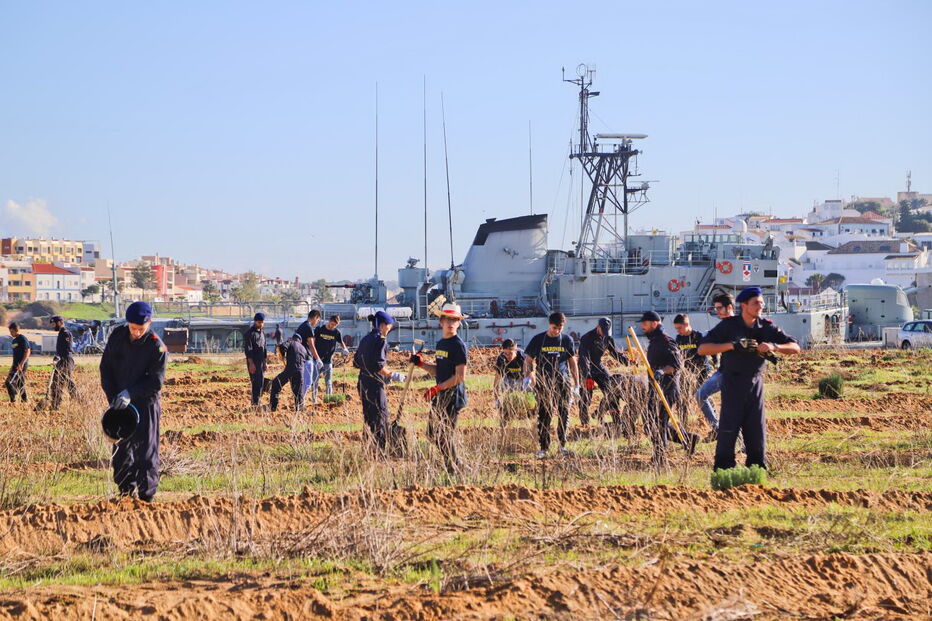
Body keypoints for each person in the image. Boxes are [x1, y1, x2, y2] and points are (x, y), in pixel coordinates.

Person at [698, 287, 800, 472]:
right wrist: (732, 346)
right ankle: (724, 472)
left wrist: (773, 346)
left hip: (755, 385)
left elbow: (795, 347)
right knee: (728, 430)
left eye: (761, 303)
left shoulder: (767, 327)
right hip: (732, 383)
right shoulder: (728, 326)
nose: (761, 306)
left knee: (756, 432)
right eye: (756, 303)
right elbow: (703, 349)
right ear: (744, 305)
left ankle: (757, 472)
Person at [100, 301, 167, 502]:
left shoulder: (157, 347)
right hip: (120, 404)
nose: (136, 333)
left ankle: (146, 497)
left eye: (141, 329)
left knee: (146, 452)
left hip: (145, 404)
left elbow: (155, 381)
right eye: (133, 328)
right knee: (121, 451)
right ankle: (126, 494)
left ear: (149, 323)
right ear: (127, 323)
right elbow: (106, 369)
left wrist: (131, 393)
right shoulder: (117, 337)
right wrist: (113, 398)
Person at [411, 303, 468, 473]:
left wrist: (438, 388)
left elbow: (459, 377)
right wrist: (421, 364)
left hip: (453, 396)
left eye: (454, 320)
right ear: (441, 322)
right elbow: (440, 370)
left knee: (445, 434)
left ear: (458, 323)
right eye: (447, 319)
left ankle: (455, 466)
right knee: (431, 433)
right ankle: (453, 464)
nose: (451, 323)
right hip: (441, 394)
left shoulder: (458, 345)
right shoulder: (441, 344)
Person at [639, 311, 699, 465]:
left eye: (645, 324)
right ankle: (688, 439)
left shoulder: (666, 341)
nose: (642, 327)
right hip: (655, 388)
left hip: (668, 388)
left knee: (660, 423)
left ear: (654, 323)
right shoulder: (654, 341)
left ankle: (659, 457)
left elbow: (676, 365)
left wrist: (662, 371)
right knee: (648, 422)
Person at [524, 312, 581, 458]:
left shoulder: (567, 340)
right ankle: (544, 448)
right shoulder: (538, 340)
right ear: (549, 324)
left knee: (564, 414)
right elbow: (529, 360)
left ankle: (562, 446)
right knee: (544, 415)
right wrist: (528, 377)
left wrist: (577, 384)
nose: (557, 331)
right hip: (544, 383)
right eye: (555, 327)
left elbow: (572, 362)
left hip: (563, 382)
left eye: (560, 327)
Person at [353, 311, 406, 451]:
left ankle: (370, 448)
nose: (389, 329)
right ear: (382, 325)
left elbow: (356, 362)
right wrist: (392, 375)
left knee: (369, 417)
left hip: (362, 382)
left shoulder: (365, 339)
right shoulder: (381, 340)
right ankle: (382, 450)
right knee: (381, 417)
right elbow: (379, 365)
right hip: (374, 385)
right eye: (389, 326)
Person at [694, 293, 736, 439]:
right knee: (700, 395)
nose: (716, 311)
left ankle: (744, 445)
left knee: (733, 410)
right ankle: (716, 427)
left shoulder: (740, 325)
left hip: (736, 375)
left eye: (719, 308)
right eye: (715, 308)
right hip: (722, 372)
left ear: (729, 307)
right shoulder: (721, 326)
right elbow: (706, 343)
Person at [577, 317, 629, 425]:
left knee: (612, 389)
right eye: (603, 331)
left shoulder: (608, 338)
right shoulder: (586, 338)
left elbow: (614, 353)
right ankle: (584, 420)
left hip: (599, 367)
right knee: (587, 394)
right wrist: (586, 375)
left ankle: (615, 418)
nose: (604, 334)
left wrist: (626, 361)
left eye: (606, 331)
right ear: (598, 327)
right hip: (587, 369)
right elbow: (583, 357)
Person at [673, 313, 715, 440]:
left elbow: (711, 349)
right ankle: (684, 428)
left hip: (702, 371)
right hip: (686, 373)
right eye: (676, 329)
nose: (678, 331)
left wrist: (716, 362)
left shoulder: (698, 336)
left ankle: (715, 426)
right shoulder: (679, 339)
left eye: (680, 328)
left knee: (701, 397)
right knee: (682, 398)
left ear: (687, 324)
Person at [269, 335, 309, 412]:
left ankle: (273, 407)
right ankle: (299, 410)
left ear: (292, 338)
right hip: (300, 372)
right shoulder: (304, 348)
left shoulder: (291, 342)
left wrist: (283, 355)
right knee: (298, 392)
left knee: (276, 384)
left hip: (290, 370)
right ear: (300, 341)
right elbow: (306, 359)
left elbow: (283, 346)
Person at [314, 315, 349, 398]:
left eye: (335, 325)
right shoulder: (319, 330)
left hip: (328, 360)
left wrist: (345, 349)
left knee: (328, 382)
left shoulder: (336, 332)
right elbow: (313, 341)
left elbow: (341, 342)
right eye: (332, 324)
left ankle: (328, 398)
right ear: (329, 321)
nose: (332, 326)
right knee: (315, 381)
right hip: (318, 360)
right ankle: (314, 400)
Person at [493, 339, 527, 424]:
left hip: (523, 378)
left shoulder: (523, 357)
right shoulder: (501, 359)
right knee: (507, 400)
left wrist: (530, 393)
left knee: (529, 399)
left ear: (516, 350)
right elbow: (497, 379)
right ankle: (505, 420)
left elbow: (531, 374)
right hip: (508, 379)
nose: (507, 356)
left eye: (510, 353)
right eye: (505, 353)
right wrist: (496, 398)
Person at [295, 310, 323, 404]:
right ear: (315, 317)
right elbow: (311, 345)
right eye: (318, 320)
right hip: (306, 357)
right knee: (307, 382)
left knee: (302, 382)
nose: (317, 322)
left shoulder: (302, 326)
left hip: (300, 356)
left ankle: (300, 400)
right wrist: (318, 359)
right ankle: (300, 401)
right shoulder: (308, 328)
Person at [49, 315, 77, 410]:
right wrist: (56, 357)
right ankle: (55, 405)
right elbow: (60, 349)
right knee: (60, 383)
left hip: (66, 360)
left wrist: (59, 358)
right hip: (62, 360)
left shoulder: (66, 333)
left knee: (62, 383)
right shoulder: (61, 334)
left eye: (54, 324)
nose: (53, 326)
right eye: (52, 324)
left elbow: (67, 349)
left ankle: (78, 401)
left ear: (60, 322)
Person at [243, 312, 267, 408]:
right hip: (253, 361)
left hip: (261, 361)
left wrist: (265, 362)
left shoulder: (262, 333)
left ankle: (258, 400)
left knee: (261, 381)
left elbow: (264, 348)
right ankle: (255, 403)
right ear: (255, 321)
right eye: (259, 322)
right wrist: (251, 363)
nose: (260, 324)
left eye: (262, 322)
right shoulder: (250, 333)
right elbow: (248, 350)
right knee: (255, 382)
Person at [5, 322, 31, 403]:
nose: (10, 333)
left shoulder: (22, 339)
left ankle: (13, 401)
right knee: (20, 382)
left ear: (16, 330)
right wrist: (12, 366)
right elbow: (15, 355)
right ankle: (24, 400)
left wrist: (22, 363)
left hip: (21, 364)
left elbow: (27, 351)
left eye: (12, 331)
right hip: (15, 365)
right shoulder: (14, 341)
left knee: (8, 382)